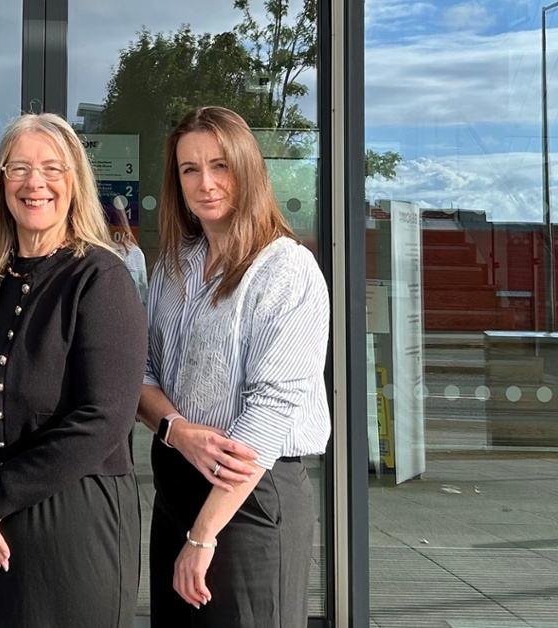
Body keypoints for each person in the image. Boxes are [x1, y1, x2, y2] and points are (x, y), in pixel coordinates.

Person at [0, 113, 146, 628]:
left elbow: (103, 419)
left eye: (52, 168)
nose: (35, 183)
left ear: (75, 182)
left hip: (71, 529)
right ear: (1, 182)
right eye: (19, 168)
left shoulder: (101, 278)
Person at [139, 106, 331, 628]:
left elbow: (268, 413)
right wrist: (176, 432)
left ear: (248, 168)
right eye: (189, 169)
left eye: (220, 165)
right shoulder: (174, 266)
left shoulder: (286, 269)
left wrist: (203, 535)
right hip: (175, 486)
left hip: (248, 499)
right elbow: (142, 373)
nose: (206, 183)